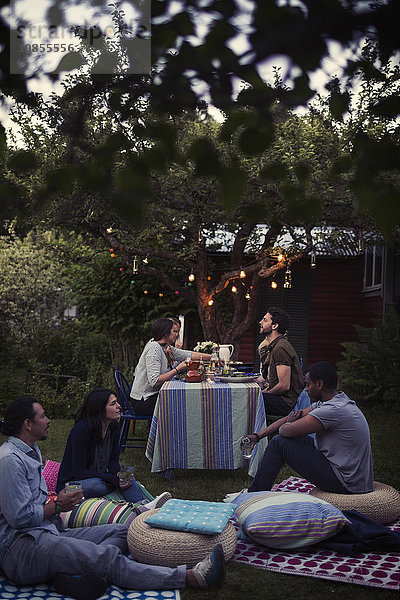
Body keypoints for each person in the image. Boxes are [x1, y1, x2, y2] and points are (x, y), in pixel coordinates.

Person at [0, 396, 226, 600]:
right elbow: (20, 518)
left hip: (48, 531)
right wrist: (58, 506)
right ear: (27, 424)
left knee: (120, 530)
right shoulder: (10, 460)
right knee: (106, 556)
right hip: (21, 549)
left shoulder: (31, 450)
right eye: (43, 416)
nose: (48, 420)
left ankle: (79, 573)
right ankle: (191, 577)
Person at [247, 361, 374, 494]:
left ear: (320, 384)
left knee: (279, 443)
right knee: (283, 440)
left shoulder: (332, 410)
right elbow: (292, 416)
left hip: (346, 482)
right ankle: (257, 491)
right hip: (347, 472)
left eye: (308, 385)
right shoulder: (336, 400)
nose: (306, 389)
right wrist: (258, 436)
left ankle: (254, 494)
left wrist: (290, 423)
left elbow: (285, 430)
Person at [55, 388, 169, 507]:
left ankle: (143, 506)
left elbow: (113, 462)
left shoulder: (113, 427)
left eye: (117, 402)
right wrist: (111, 479)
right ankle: (122, 491)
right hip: (72, 486)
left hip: (99, 478)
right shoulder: (81, 431)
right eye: (113, 404)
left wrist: (119, 476)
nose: (119, 406)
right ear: (100, 409)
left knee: (126, 474)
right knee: (97, 484)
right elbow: (80, 472)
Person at [130, 317, 211, 416]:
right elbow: (154, 381)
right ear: (165, 333)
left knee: (183, 399)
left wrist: (212, 357)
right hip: (143, 401)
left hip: (153, 396)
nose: (177, 335)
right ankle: (173, 430)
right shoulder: (154, 348)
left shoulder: (165, 347)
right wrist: (177, 370)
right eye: (175, 331)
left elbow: (187, 355)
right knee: (182, 402)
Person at [257, 306, 304, 416]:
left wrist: (265, 393)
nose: (260, 322)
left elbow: (284, 385)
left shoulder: (280, 348)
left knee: (250, 400)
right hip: (280, 399)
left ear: (274, 326)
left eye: (265, 320)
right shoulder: (276, 345)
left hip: (286, 403)